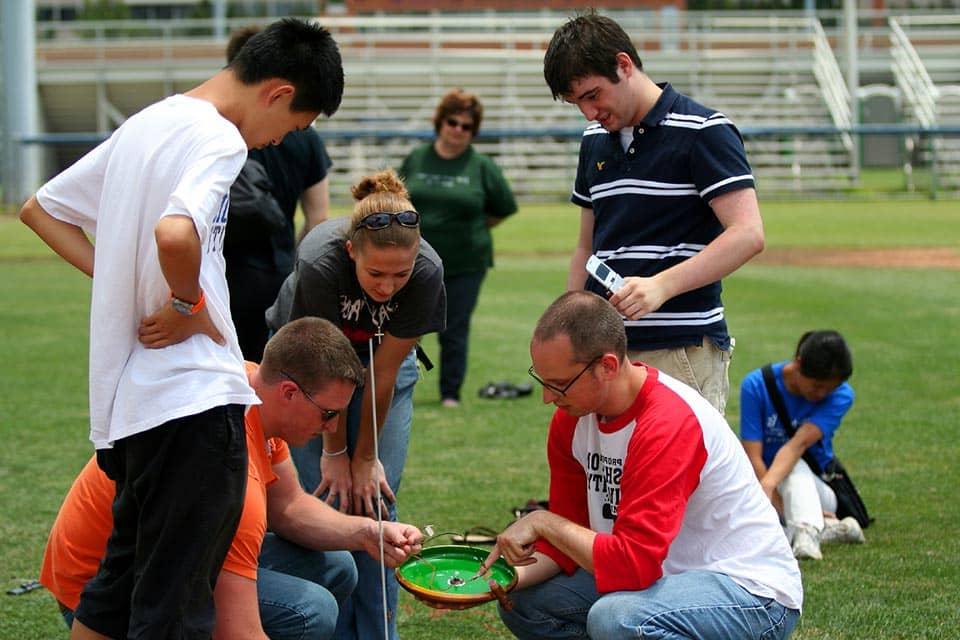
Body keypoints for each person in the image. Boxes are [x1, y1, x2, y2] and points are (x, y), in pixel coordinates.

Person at [18, 18, 343, 639]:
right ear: (277, 92)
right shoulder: (220, 140)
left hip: (133, 409)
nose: (277, 143)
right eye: (292, 127)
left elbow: (42, 210)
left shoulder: (149, 120)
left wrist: (124, 280)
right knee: (174, 606)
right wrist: (188, 302)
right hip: (193, 404)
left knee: (116, 592)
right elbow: (175, 232)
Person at [41, 317, 423, 640]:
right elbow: (241, 631)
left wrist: (366, 532)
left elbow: (288, 506)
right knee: (311, 610)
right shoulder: (229, 469)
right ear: (289, 392)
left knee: (337, 565)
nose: (333, 427)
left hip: (150, 559)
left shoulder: (249, 385)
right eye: (327, 413)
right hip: (97, 596)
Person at [480, 291, 802, 640]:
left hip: (750, 593)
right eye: (543, 382)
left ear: (607, 366)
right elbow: (567, 540)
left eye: (559, 385)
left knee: (617, 620)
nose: (547, 398)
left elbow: (633, 566)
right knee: (527, 601)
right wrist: (492, 581)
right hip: (663, 578)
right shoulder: (570, 419)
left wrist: (543, 522)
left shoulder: (668, 423)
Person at [543, 11, 765, 414]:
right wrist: (569, 324)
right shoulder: (594, 140)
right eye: (577, 103)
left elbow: (748, 234)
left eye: (593, 95)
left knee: (681, 476)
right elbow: (587, 248)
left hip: (680, 348)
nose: (589, 113)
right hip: (604, 354)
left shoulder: (704, 130)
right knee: (607, 477)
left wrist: (661, 286)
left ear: (623, 64)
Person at [266, 169, 445, 640]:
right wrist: (335, 453)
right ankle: (329, 626)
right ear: (351, 253)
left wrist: (365, 457)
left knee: (374, 501)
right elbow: (326, 376)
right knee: (324, 498)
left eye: (399, 275)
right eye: (376, 274)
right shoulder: (321, 263)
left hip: (382, 361)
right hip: (309, 366)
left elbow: (382, 371)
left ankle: (378, 633)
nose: (388, 287)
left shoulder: (427, 272)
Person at [399, 88, 517, 408]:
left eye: (466, 126)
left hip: (465, 263)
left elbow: (503, 206)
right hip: (414, 261)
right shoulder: (417, 158)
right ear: (441, 122)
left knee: (454, 329)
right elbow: (398, 200)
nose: (458, 130)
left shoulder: (480, 166)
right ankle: (398, 385)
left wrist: (473, 228)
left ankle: (450, 393)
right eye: (453, 122)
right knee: (406, 325)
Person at [224, 26, 336, 362]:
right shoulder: (306, 137)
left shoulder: (220, 129)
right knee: (275, 368)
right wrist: (293, 265)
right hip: (280, 268)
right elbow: (318, 217)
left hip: (226, 269)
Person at [740, 330, 864, 561]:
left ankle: (805, 533)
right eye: (817, 385)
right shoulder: (757, 385)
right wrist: (772, 499)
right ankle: (828, 528)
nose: (822, 394)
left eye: (830, 388)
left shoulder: (843, 395)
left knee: (793, 467)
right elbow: (752, 455)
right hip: (763, 484)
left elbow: (797, 446)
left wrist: (768, 491)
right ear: (798, 364)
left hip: (818, 492)